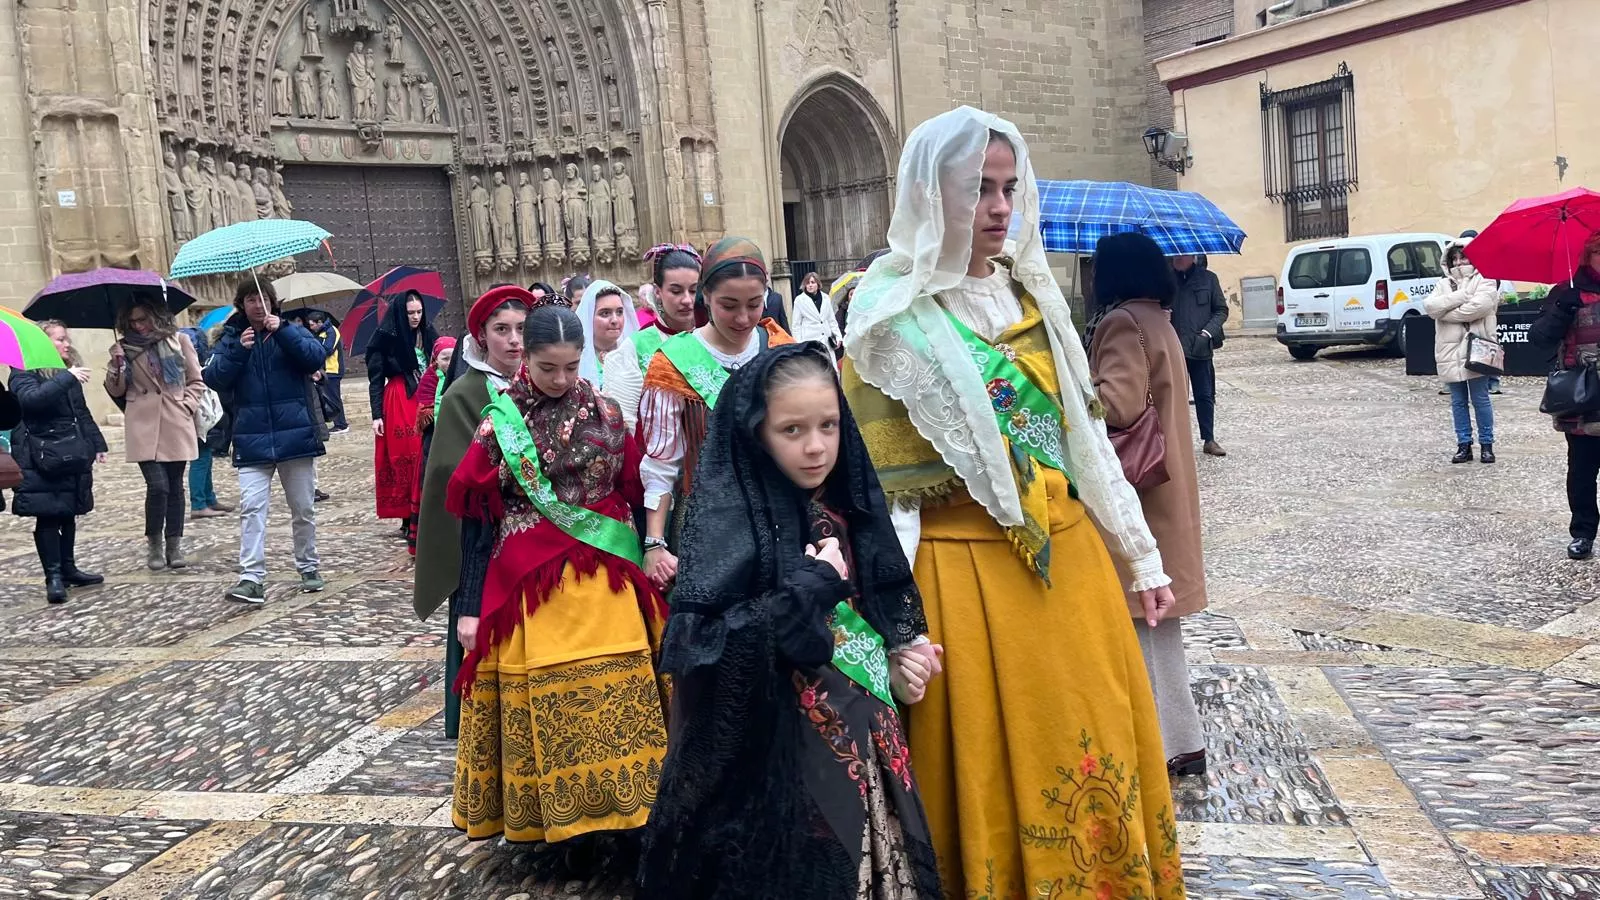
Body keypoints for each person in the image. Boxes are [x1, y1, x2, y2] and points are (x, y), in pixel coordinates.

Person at [842, 107, 1184, 900]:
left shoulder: (1034, 294)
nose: (1000, 208)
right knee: (992, 762)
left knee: (1087, 739)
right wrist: (892, 624)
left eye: (1008, 188)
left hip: (1070, 572)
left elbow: (1084, 439)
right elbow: (877, 492)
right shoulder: (887, 319)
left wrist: (1139, 555)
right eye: (979, 190)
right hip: (958, 579)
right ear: (933, 194)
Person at [640, 343, 944, 898]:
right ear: (756, 431)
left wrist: (903, 659)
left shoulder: (848, 506)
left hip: (865, 740)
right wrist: (808, 589)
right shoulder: (729, 519)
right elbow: (698, 649)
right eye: (792, 430)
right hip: (776, 764)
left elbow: (875, 611)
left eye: (829, 425)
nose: (816, 447)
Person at [447, 302, 670, 860]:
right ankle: (561, 827)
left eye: (572, 367)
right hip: (530, 583)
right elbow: (478, 521)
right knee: (551, 707)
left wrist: (652, 547)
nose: (562, 379)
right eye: (549, 367)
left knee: (623, 699)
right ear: (528, 357)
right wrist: (470, 607)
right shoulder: (500, 422)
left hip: (607, 576)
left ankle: (631, 818)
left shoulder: (609, 415)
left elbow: (634, 491)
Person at [1088, 233, 1212, 777]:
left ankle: (1158, 744)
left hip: (1140, 492)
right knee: (1160, 628)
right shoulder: (1157, 319)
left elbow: (1116, 405)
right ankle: (1182, 738)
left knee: (1141, 619)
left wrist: (1068, 389)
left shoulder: (1121, 323)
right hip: (1168, 487)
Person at [638, 237, 793, 589]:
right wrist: (655, 542)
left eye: (754, 304)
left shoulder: (781, 348)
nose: (743, 318)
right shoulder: (673, 363)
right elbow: (662, 464)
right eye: (728, 305)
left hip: (779, 514)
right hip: (708, 525)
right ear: (704, 296)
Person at [414, 286, 531, 739]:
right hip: (485, 528)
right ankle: (476, 716)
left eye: (521, 329)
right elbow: (451, 468)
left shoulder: (539, 378)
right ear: (482, 337)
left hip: (533, 526)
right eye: (502, 330)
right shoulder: (466, 391)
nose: (514, 340)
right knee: (476, 616)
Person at [204, 281, 330, 602]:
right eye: (251, 299)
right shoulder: (232, 336)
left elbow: (316, 357)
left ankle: (308, 566)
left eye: (263, 298)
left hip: (295, 435)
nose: (258, 305)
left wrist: (285, 332)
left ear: (273, 302)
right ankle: (251, 578)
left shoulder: (290, 330)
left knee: (302, 508)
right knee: (252, 508)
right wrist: (238, 351)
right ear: (241, 305)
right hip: (252, 437)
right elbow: (214, 378)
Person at [9, 321, 109, 604]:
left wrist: (96, 443)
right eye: (60, 340)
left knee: (68, 510)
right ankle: (52, 576)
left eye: (66, 339)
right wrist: (66, 378)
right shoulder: (23, 372)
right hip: (40, 455)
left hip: (70, 451)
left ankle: (68, 568)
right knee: (49, 514)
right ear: (43, 344)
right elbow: (31, 401)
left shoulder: (68, 372)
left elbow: (81, 412)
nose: (67, 344)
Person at [106, 297, 206, 571]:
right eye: (133, 321)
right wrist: (116, 364)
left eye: (143, 319)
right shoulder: (124, 348)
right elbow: (115, 390)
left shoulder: (179, 341)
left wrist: (186, 404)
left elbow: (196, 380)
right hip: (143, 424)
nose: (138, 326)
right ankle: (154, 544)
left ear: (156, 317)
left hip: (175, 420)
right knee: (158, 486)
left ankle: (174, 545)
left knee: (175, 487)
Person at [1531, 230, 1600, 560]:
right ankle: (1583, 533)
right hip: (1582, 395)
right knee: (1582, 472)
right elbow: (1539, 339)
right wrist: (1561, 309)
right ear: (1588, 255)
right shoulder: (1567, 291)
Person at [602, 245, 702, 432]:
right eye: (676, 291)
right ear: (658, 292)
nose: (687, 300)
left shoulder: (710, 338)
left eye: (694, 290)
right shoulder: (637, 346)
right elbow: (623, 423)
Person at [366, 290, 438, 550]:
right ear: (400, 312)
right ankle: (408, 514)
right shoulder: (384, 339)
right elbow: (375, 380)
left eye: (419, 312)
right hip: (399, 400)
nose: (416, 317)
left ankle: (425, 510)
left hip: (427, 398)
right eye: (410, 313)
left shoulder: (429, 334)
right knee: (404, 456)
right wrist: (376, 415)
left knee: (426, 452)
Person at [1424, 239, 1499, 465]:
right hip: (1449, 349)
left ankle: (1487, 444)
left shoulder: (1484, 279)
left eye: (1463, 257)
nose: (1459, 262)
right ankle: (1463, 444)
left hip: (1477, 347)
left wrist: (1447, 312)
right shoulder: (1442, 284)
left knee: (1480, 398)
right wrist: (1460, 297)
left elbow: (1480, 307)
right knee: (1457, 401)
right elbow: (1430, 307)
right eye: (1454, 258)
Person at [1170, 253, 1228, 458]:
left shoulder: (1208, 279)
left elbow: (1221, 310)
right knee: (1175, 397)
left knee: (1204, 395)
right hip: (1174, 348)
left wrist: (1207, 333)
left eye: (1181, 254)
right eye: (1174, 254)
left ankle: (1209, 439)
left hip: (1200, 348)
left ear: (1192, 256)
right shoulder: (1166, 280)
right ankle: (1177, 441)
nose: (1177, 257)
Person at [179, 327, 229, 520]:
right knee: (200, 460)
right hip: (196, 417)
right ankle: (199, 503)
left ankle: (209, 498)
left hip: (204, 417)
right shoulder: (184, 362)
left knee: (205, 458)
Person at [576, 279, 637, 390]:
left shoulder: (634, 352)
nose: (615, 320)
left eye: (619, 312)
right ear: (589, 317)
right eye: (605, 313)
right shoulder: (576, 358)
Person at [307, 311, 348, 434]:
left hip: (333, 370)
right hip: (324, 371)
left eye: (312, 324)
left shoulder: (332, 331)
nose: (311, 327)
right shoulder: (319, 333)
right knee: (329, 397)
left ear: (319, 322)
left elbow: (328, 349)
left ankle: (341, 424)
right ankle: (337, 422)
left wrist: (314, 345)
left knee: (334, 398)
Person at [790, 270, 844, 355]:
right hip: (810, 341)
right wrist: (799, 344)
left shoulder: (826, 298)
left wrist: (838, 336)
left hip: (826, 341)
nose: (810, 285)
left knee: (829, 366)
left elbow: (831, 320)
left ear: (818, 284)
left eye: (813, 282)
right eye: (808, 283)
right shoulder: (799, 300)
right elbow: (796, 325)